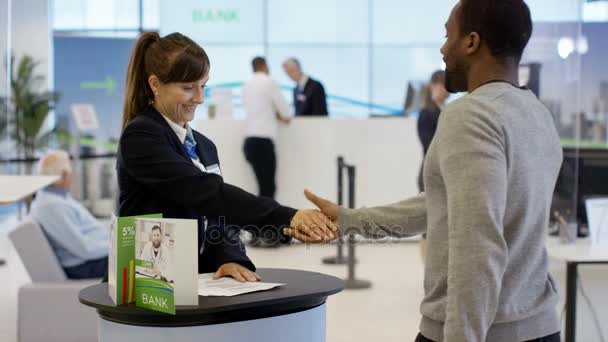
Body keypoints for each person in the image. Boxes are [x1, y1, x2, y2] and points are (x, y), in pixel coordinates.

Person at [288, 1, 563, 341]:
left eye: (448, 35)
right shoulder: (537, 114)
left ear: (471, 42)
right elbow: (443, 204)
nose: (443, 48)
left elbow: (477, 244)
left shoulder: (472, 115)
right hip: (539, 327)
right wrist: (350, 219)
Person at [118, 32, 336, 283]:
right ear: (155, 84)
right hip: (148, 285)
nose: (199, 98)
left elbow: (218, 211)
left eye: (203, 86)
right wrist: (285, 216)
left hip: (193, 283)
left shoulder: (204, 146)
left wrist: (229, 257)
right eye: (188, 88)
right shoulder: (141, 136)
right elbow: (204, 191)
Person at [30, 150, 109, 279]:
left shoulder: (57, 197)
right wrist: (116, 247)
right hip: (85, 265)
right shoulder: (52, 206)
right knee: (140, 258)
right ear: (65, 174)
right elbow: (84, 249)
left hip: (93, 256)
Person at [242, 56, 291, 247]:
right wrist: (281, 116)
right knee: (268, 189)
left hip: (249, 142)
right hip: (263, 142)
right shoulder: (268, 82)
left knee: (262, 189)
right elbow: (285, 112)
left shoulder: (247, 85)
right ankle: (266, 233)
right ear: (264, 66)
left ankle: (257, 231)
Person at [416, 70, 448, 262]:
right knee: (428, 226)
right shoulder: (427, 113)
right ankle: (428, 273)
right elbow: (429, 145)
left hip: (445, 172)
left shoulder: (445, 110)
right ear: (434, 86)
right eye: (443, 85)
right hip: (432, 173)